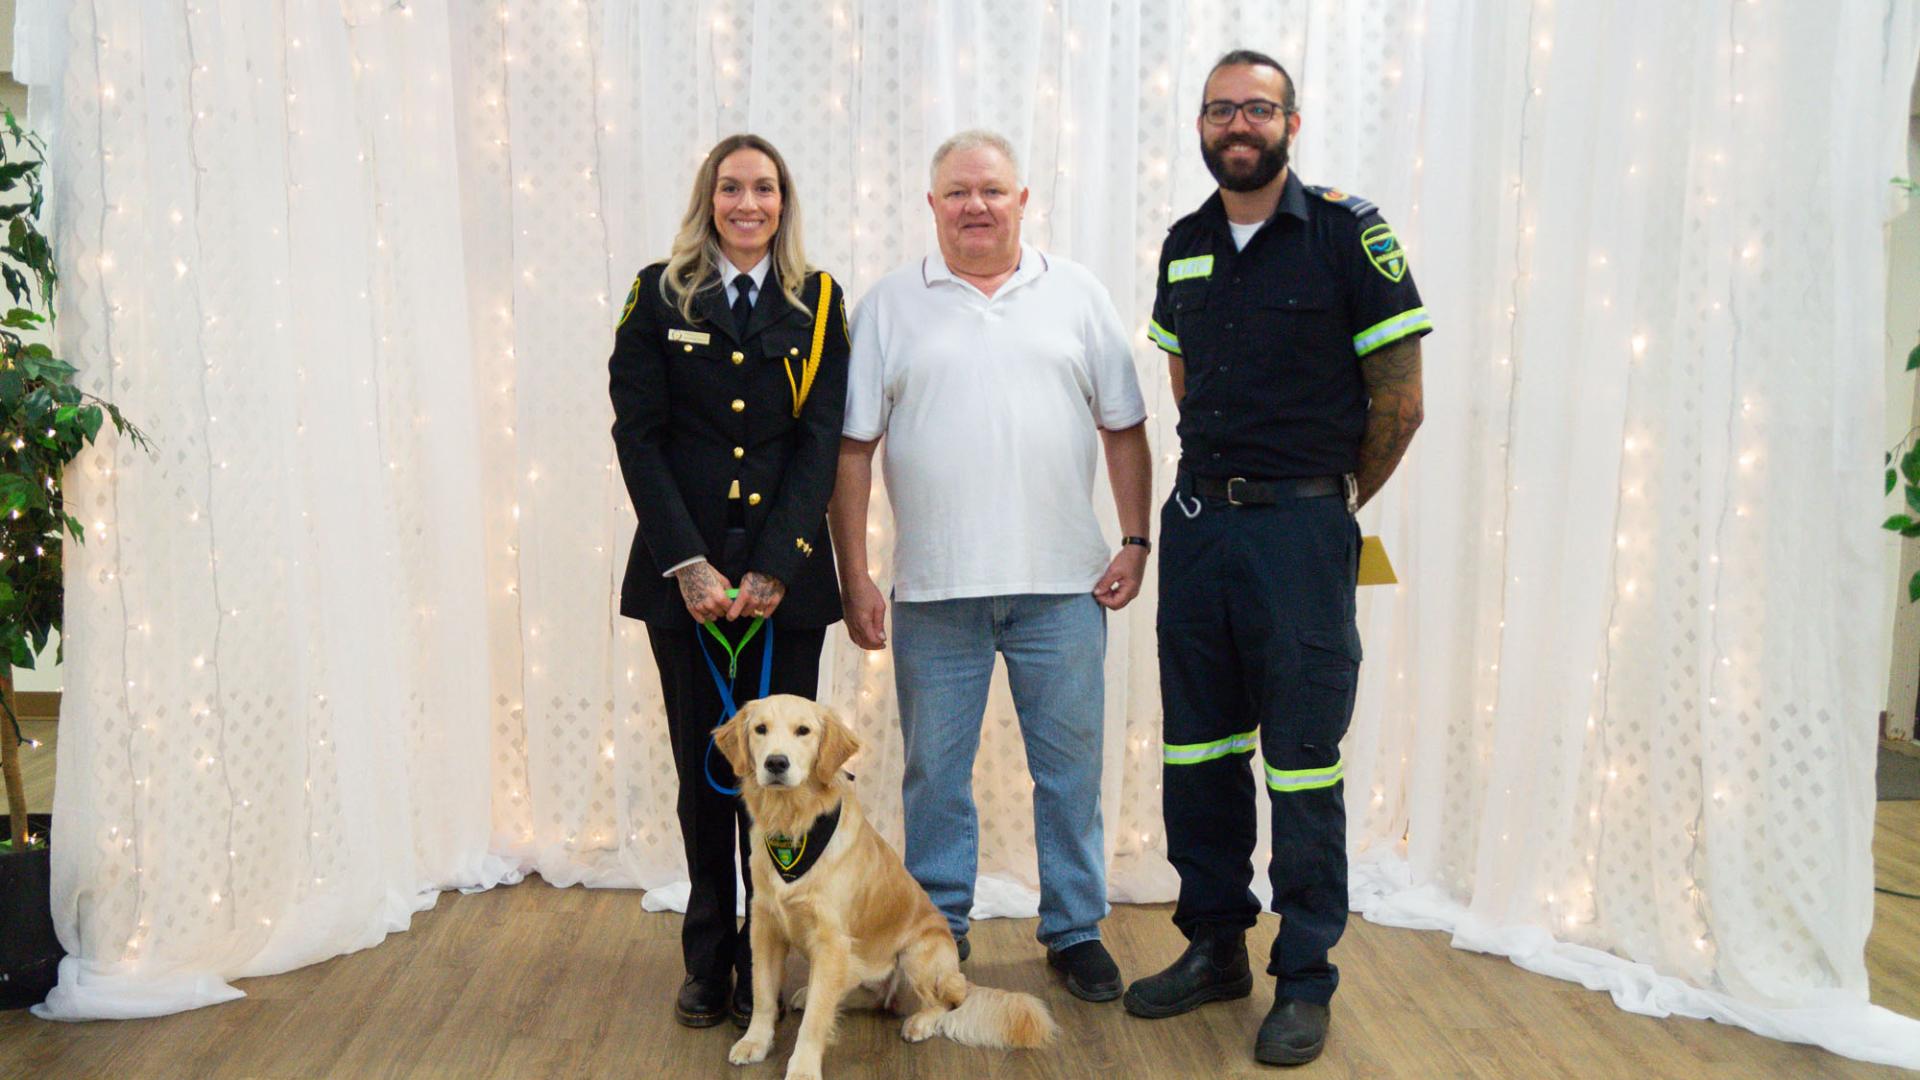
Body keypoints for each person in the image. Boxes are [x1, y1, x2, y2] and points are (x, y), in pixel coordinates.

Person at [1121, 50, 1431, 1067]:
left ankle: (1304, 976)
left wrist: (1324, 505)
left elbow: (1400, 402)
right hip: (1200, 529)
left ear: (1291, 122)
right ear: (1201, 126)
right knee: (1199, 752)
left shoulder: (1348, 233)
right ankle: (1215, 947)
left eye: (1258, 108)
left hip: (1300, 534)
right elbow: (1183, 381)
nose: (1238, 124)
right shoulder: (1185, 243)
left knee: (1301, 762)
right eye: (1221, 110)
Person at [827, 129, 1153, 1004]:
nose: (976, 205)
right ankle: (939, 933)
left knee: (1070, 774)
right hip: (935, 591)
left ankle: (1075, 928)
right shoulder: (889, 305)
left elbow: (1124, 425)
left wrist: (1134, 539)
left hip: (1064, 588)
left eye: (993, 190)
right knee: (935, 778)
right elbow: (853, 450)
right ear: (932, 205)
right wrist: (856, 575)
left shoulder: (1077, 293)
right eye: (959, 192)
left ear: (1022, 200)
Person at [609, 133, 849, 1030]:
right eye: (732, 188)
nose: (749, 204)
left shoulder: (818, 302)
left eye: (765, 189)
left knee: (788, 777)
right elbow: (638, 436)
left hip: (787, 586)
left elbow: (819, 441)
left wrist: (777, 564)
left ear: (785, 202)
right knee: (708, 771)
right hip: (687, 584)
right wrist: (689, 562)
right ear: (707, 200)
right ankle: (710, 960)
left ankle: (769, 959)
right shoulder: (658, 294)